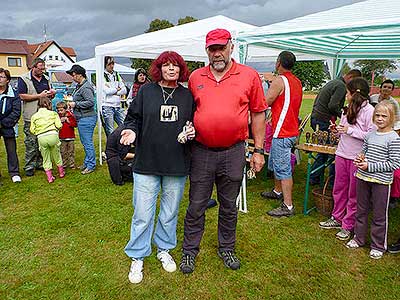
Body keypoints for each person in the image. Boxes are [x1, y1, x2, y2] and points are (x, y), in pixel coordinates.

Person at [180, 28, 267, 274]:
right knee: (196, 204)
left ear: (231, 46)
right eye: (212, 49)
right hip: (202, 152)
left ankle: (226, 247)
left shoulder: (249, 76)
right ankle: (189, 251)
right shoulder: (196, 76)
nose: (217, 53)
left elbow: (258, 113)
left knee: (229, 205)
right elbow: (189, 112)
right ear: (206, 50)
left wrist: (258, 150)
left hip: (234, 151)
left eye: (221, 47)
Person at [120, 51, 195, 284]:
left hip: (176, 162)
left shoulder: (187, 96)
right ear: (159, 68)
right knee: (142, 214)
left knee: (169, 212)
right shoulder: (146, 91)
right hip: (147, 162)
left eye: (175, 66)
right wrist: (131, 130)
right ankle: (138, 255)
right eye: (166, 65)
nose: (171, 69)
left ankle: (164, 248)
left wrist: (191, 132)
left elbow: (194, 122)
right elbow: (133, 118)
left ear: (181, 69)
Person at [319, 78, 375, 240]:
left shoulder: (369, 111)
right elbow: (344, 131)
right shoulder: (347, 109)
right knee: (339, 189)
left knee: (354, 194)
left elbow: (371, 136)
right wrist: (337, 131)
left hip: (357, 158)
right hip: (342, 154)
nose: (345, 95)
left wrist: (350, 131)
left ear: (353, 93)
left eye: (347, 92)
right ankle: (336, 218)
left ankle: (348, 225)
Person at [346, 100, 400, 259]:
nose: (380, 118)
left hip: (381, 182)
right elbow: (364, 151)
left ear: (392, 118)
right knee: (361, 210)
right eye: (377, 115)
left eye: (384, 116)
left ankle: (378, 245)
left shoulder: (394, 138)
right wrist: (360, 158)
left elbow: (394, 163)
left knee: (379, 214)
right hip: (363, 178)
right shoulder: (370, 135)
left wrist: (369, 166)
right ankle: (359, 238)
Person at [258, 51, 302, 217]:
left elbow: (265, 102)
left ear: (278, 63)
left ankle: (288, 205)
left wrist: (269, 83)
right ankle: (277, 191)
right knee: (277, 163)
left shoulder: (279, 80)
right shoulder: (296, 81)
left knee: (283, 169)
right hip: (290, 129)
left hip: (282, 131)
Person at [309, 69, 362, 185]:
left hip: (318, 118)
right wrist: (346, 116)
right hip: (322, 120)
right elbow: (333, 105)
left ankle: (316, 176)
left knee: (324, 150)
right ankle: (319, 178)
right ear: (351, 78)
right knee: (328, 150)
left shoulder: (335, 82)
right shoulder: (341, 86)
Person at [18, 58, 55, 177]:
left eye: (43, 68)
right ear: (33, 67)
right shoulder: (23, 79)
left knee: (43, 141)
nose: (42, 70)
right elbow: (22, 96)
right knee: (31, 142)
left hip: (45, 115)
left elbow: (48, 96)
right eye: (40, 68)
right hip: (31, 115)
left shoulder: (46, 79)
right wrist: (39, 95)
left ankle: (40, 163)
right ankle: (29, 166)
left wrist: (51, 95)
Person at [66, 64, 97, 175]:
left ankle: (91, 165)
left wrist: (76, 104)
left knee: (87, 142)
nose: (72, 78)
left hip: (87, 118)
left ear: (79, 75)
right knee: (85, 142)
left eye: (73, 75)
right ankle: (87, 162)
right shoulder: (80, 86)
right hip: (82, 117)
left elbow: (90, 102)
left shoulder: (86, 87)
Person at [30, 98, 64, 183]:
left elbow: (32, 130)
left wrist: (38, 132)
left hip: (41, 137)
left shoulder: (34, 116)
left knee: (45, 157)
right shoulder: (53, 114)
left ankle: (49, 177)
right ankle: (61, 172)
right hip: (53, 135)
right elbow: (59, 125)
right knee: (57, 154)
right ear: (49, 104)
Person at [0, 68, 22, 183]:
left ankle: (14, 173)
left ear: (8, 80)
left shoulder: (13, 94)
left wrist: (4, 123)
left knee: (11, 150)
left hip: (8, 126)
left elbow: (16, 111)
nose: (0, 79)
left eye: (2, 77)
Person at [102, 56, 127, 137]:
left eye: (113, 63)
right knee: (110, 130)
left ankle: (124, 145)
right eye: (109, 64)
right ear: (105, 64)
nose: (112, 66)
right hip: (107, 106)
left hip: (117, 105)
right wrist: (117, 89)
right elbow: (107, 91)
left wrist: (113, 90)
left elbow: (124, 90)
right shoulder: (101, 75)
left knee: (125, 126)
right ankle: (111, 147)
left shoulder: (117, 74)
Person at [56, 101, 77, 169]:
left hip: (70, 137)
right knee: (63, 151)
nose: (60, 112)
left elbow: (75, 125)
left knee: (71, 151)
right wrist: (59, 121)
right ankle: (64, 164)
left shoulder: (70, 116)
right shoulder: (57, 117)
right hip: (62, 137)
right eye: (58, 110)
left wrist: (68, 121)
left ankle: (72, 164)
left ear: (65, 109)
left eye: (61, 110)